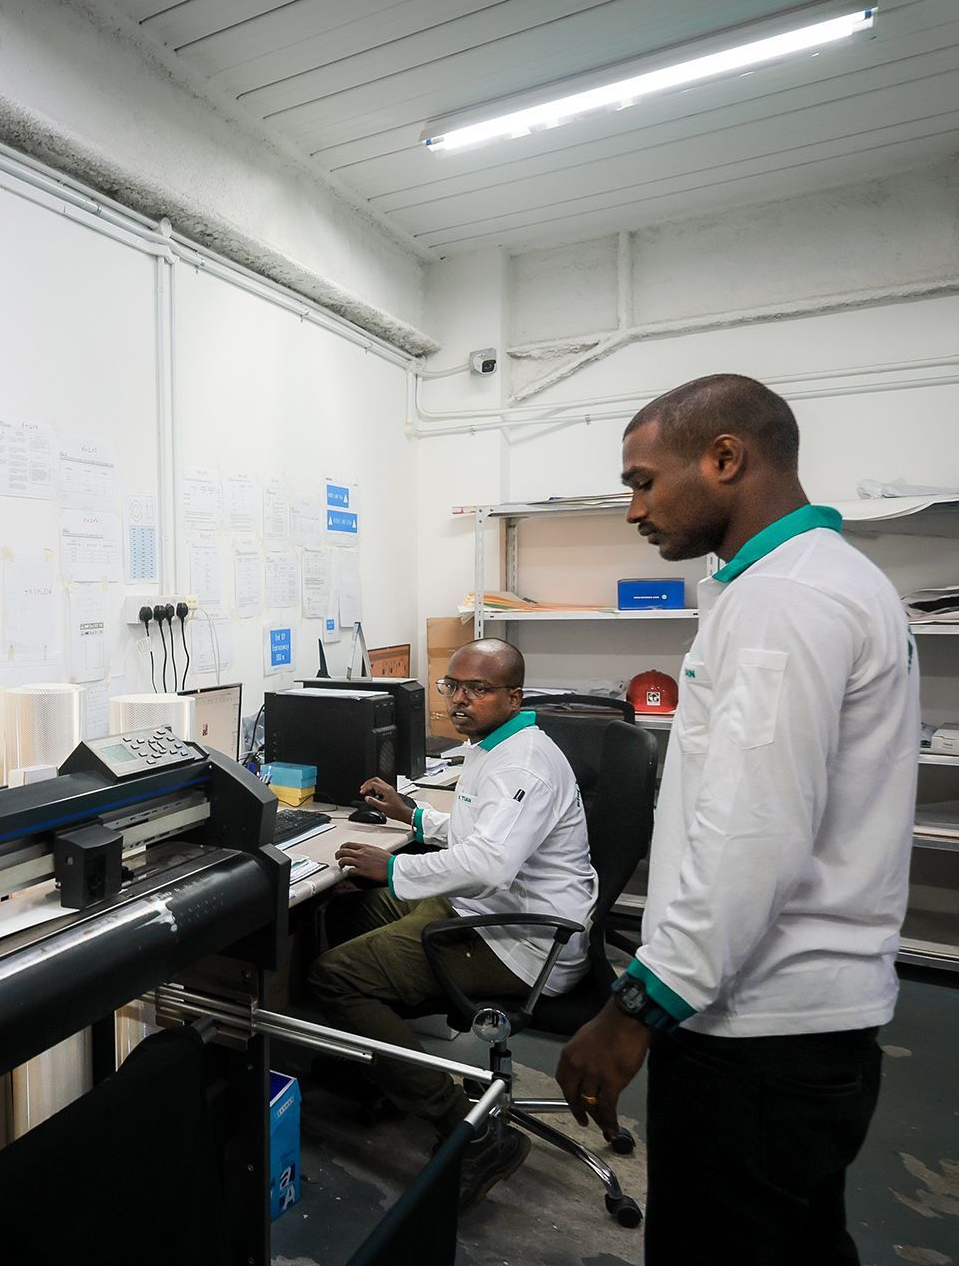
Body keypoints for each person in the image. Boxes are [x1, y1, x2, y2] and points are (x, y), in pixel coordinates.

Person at [557, 374, 919, 1264]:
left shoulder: (783, 601)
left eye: (643, 480)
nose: (634, 508)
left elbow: (749, 837)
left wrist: (635, 1008)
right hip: (809, 1020)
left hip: (758, 1031)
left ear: (726, 458)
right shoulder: (813, 581)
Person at [310, 637, 597, 1210]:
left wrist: (393, 866)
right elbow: (481, 836)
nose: (459, 700)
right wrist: (414, 816)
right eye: (452, 686)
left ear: (514, 695)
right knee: (345, 905)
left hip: (523, 940)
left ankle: (471, 1133)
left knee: (334, 977)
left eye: (478, 689)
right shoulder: (495, 744)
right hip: (485, 911)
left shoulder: (524, 762)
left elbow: (490, 864)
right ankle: (386, 1063)